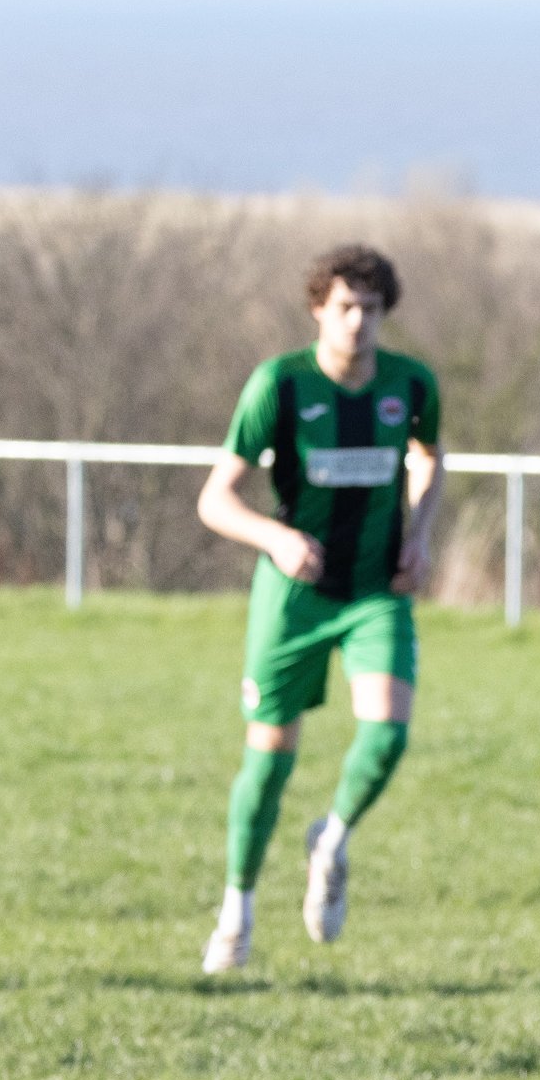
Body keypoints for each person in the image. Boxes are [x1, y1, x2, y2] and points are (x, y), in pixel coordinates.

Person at [195, 245, 443, 974]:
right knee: (269, 760)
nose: (357, 322)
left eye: (370, 310)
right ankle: (236, 911)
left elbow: (429, 456)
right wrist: (275, 538)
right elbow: (216, 499)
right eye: (344, 308)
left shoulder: (411, 384)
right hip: (295, 599)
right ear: (318, 311)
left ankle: (330, 841)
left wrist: (421, 536)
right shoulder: (280, 385)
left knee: (389, 734)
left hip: (374, 593)